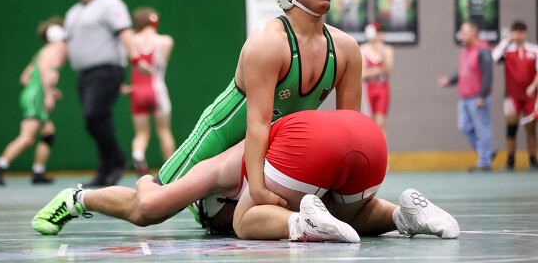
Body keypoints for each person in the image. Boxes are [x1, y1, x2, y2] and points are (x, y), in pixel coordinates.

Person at [31, 0, 362, 228]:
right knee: (147, 211)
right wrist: (259, 190)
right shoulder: (268, 41)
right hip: (222, 133)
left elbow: (351, 129)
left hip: (270, 140)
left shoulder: (345, 48)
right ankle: (77, 199)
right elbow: (258, 124)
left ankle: (201, 201)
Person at [32, 110, 460, 242]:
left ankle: (303, 225)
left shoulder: (215, 170)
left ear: (213, 202)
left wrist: (150, 180)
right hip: (366, 134)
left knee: (247, 221)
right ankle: (405, 216)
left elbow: (147, 206)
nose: (214, 228)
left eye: (210, 222)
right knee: (351, 213)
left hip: (308, 141)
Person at [64, 0, 139, 187]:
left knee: (94, 115)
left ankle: (117, 159)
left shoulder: (110, 4)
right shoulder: (73, 12)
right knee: (96, 121)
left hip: (106, 72)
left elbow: (125, 33)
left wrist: (135, 60)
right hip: (84, 76)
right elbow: (64, 45)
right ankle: (105, 169)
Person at [0, 17, 67, 185]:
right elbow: (45, 71)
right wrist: (47, 93)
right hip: (36, 97)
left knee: (48, 134)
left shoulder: (42, 52)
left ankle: (38, 172)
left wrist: (44, 89)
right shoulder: (58, 49)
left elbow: (25, 78)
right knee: (26, 138)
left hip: (30, 94)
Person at [120, 8, 175, 175]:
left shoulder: (130, 41)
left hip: (137, 91)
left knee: (141, 133)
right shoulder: (165, 41)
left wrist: (122, 85)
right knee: (164, 131)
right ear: (154, 22)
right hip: (157, 90)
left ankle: (138, 154)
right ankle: (172, 168)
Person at [439, 21, 495, 171]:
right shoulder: (465, 51)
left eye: (464, 33)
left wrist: (482, 96)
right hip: (465, 98)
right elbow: (464, 73)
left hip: (478, 98)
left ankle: (485, 162)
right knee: (463, 126)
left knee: (482, 129)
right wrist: (449, 81)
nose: (462, 36)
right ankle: (487, 153)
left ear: (474, 33)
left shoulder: (483, 50)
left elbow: (488, 75)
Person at [492, 20, 538, 170]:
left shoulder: (534, 50)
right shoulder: (507, 51)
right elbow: (493, 57)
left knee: (531, 128)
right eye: (516, 31)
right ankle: (510, 160)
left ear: (526, 33)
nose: (519, 35)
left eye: (521, 31)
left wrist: (533, 86)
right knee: (511, 128)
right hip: (512, 97)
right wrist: (507, 40)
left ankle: (533, 159)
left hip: (530, 96)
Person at [360, 22, 393, 137]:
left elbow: (388, 71)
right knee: (369, 123)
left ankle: (384, 148)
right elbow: (363, 74)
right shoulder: (363, 50)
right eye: (378, 33)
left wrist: (381, 55)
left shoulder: (387, 50)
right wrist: (379, 70)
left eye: (382, 33)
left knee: (381, 122)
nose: (381, 36)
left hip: (382, 89)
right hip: (368, 89)